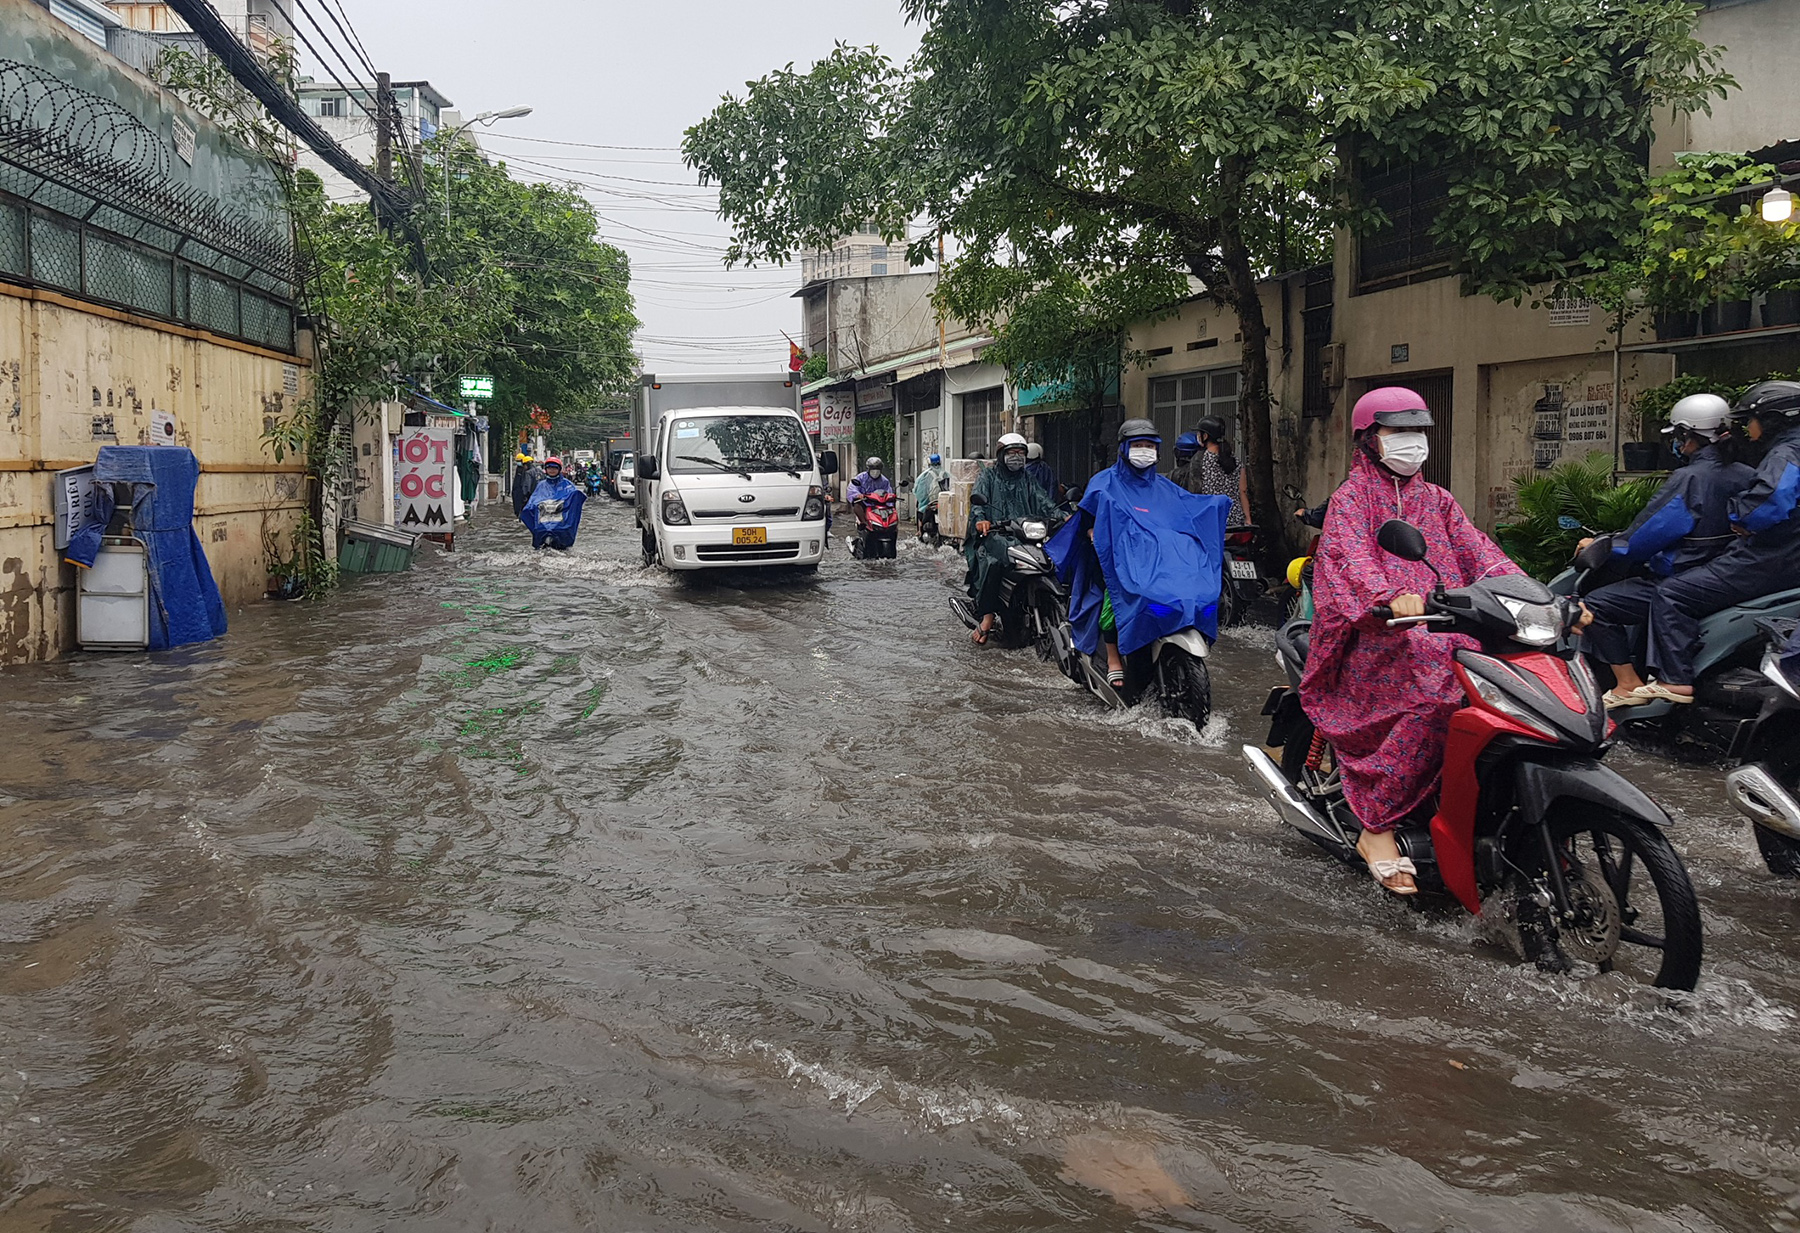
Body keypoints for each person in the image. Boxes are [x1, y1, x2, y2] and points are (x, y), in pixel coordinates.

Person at [1300, 387, 1525, 895]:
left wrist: (1537, 597)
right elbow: (1348, 559)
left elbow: (1484, 555)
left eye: (1418, 431)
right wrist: (1388, 596)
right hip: (1379, 633)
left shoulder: (1437, 500)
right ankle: (1376, 826)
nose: (1412, 441)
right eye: (1398, 431)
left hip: (1448, 628)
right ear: (1369, 440)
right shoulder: (1352, 498)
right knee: (1434, 699)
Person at [1580, 393, 1754, 707]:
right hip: (1729, 575)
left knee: (1597, 604)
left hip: (1683, 574)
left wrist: (1605, 547)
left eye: (1677, 436)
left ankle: (1627, 684)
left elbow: (1646, 537)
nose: (1676, 444)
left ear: (1688, 436)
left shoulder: (1690, 479)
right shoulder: (1747, 475)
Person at [1637, 380, 1800, 701]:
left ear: (1772, 419)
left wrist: (1742, 518)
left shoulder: (1787, 452)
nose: (1747, 429)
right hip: (1788, 558)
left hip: (1769, 558)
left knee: (1671, 594)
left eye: (1750, 421)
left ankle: (1674, 681)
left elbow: (1772, 499)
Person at [1048, 419, 1230, 689]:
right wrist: (1094, 532)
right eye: (1138, 445)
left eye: (1149, 446)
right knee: (1118, 597)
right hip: (1117, 558)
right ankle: (1113, 658)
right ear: (1124, 448)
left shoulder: (1163, 485)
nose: (1144, 450)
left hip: (1156, 559)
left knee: (1193, 589)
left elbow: (1186, 509)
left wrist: (1216, 505)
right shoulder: (1104, 483)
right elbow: (1086, 518)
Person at [966, 432, 1059, 644]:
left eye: (1020, 453)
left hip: (1025, 532)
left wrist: (1065, 516)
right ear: (1001, 455)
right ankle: (987, 616)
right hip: (995, 534)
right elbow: (978, 505)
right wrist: (981, 520)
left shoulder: (1028, 478)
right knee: (995, 563)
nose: (1016, 457)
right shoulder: (988, 477)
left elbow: (1044, 502)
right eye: (1012, 452)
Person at [1179, 416, 1249, 526]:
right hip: (1235, 522)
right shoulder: (1236, 460)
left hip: (1211, 520)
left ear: (1205, 436)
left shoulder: (1200, 459)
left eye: (1199, 433)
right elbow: (1243, 491)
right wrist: (1248, 520)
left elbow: (1195, 492)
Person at [520, 456, 587, 550]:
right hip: (543, 525)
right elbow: (534, 501)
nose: (552, 470)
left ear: (559, 469)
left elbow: (573, 500)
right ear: (546, 469)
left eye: (554, 468)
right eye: (549, 467)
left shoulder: (567, 485)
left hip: (561, 526)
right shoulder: (541, 485)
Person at [914, 452, 950, 533]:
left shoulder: (924, 475)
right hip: (944, 503)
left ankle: (920, 531)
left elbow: (919, 492)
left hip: (929, 503)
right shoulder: (945, 474)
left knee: (920, 511)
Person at [511, 452, 539, 521]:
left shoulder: (527, 472)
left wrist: (525, 494)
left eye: (519, 461)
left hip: (523, 493)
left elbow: (526, 484)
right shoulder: (536, 470)